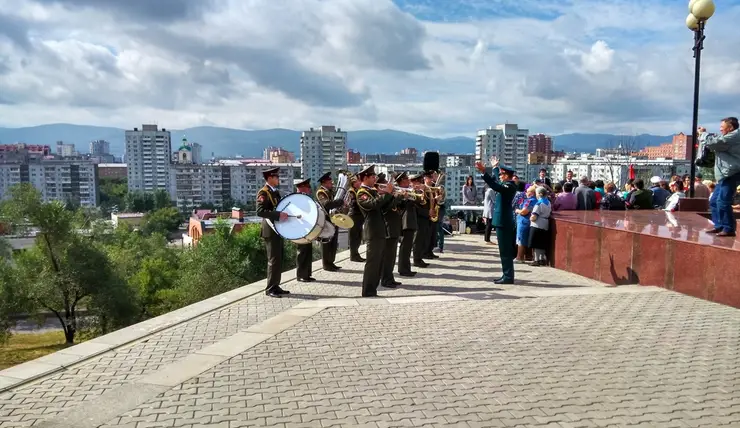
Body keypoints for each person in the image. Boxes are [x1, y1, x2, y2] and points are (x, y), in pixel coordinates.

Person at [475, 156, 518, 284]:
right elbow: (496, 182)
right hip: (502, 221)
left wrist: (484, 172)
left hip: (504, 222)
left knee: (505, 251)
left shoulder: (509, 186)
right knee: (503, 250)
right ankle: (506, 274)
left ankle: (508, 276)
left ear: (507, 176)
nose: (499, 175)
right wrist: (494, 168)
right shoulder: (505, 184)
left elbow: (494, 184)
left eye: (501, 174)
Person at [356, 165, 393, 297]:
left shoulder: (372, 191)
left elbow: (383, 207)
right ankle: (368, 290)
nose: (374, 179)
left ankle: (373, 289)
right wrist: (386, 193)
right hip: (373, 231)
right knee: (372, 263)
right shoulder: (361, 193)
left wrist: (394, 196)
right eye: (372, 177)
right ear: (365, 178)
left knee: (379, 262)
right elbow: (373, 205)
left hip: (380, 230)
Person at [699, 117, 740, 237]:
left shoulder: (734, 136)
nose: (720, 130)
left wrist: (703, 134)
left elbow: (713, 143)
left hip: (731, 173)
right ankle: (719, 226)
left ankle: (728, 228)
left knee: (723, 201)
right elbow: (714, 143)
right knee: (713, 201)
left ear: (731, 128)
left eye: (722, 128)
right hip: (724, 174)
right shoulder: (730, 136)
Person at [256, 167, 290, 298]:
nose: (278, 179)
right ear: (269, 178)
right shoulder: (263, 193)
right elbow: (260, 211)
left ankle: (276, 285)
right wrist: (278, 214)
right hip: (269, 230)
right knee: (273, 260)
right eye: (276, 177)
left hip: (277, 229)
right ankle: (270, 288)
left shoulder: (275, 192)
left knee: (278, 259)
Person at [379, 173, 406, 288]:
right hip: (388, 229)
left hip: (394, 228)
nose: (388, 185)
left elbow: (398, 207)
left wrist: (402, 198)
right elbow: (387, 208)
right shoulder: (382, 196)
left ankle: (390, 277)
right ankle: (385, 279)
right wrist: (397, 196)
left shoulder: (388, 196)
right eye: (385, 184)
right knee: (388, 257)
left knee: (392, 257)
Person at [316, 172, 344, 271]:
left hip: (333, 219)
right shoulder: (321, 192)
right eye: (329, 182)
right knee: (326, 244)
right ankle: (326, 264)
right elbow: (326, 204)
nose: (332, 183)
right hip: (326, 221)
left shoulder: (330, 191)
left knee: (333, 243)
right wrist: (338, 202)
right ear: (324, 182)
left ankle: (331, 262)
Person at [293, 178, 316, 283]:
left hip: (307, 228)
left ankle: (307, 274)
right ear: (301, 188)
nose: (309, 189)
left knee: (308, 251)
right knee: (302, 252)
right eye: (307, 187)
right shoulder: (295, 199)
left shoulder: (305, 198)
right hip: (299, 229)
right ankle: (301, 275)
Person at [397, 173, 419, 277]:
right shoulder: (398, 191)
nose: (408, 181)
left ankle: (406, 268)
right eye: (406, 179)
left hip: (411, 220)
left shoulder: (409, 190)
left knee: (408, 246)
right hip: (405, 221)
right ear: (401, 181)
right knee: (405, 246)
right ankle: (403, 269)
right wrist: (405, 197)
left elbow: (418, 200)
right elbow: (399, 206)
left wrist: (416, 192)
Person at [528, 186, 552, 266]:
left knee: (536, 243)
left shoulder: (538, 203)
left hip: (537, 224)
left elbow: (534, 217)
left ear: (540, 194)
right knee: (541, 243)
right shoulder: (548, 202)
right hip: (545, 224)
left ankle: (536, 260)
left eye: (536, 193)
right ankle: (542, 259)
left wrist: (530, 218)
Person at [413, 172, 432, 267]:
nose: (421, 184)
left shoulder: (420, 191)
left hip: (425, 218)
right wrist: (427, 213)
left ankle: (419, 258)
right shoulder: (414, 192)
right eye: (420, 182)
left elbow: (426, 202)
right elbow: (416, 207)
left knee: (423, 239)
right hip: (419, 218)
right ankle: (416, 259)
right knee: (418, 240)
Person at [346, 174, 365, 262]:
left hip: (359, 216)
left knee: (358, 236)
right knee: (354, 236)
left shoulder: (358, 190)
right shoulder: (351, 191)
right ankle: (353, 255)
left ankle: (356, 254)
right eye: (358, 181)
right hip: (354, 215)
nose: (360, 182)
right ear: (353, 183)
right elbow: (353, 203)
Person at [515, 185, 537, 263]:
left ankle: (519, 257)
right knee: (527, 239)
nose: (526, 193)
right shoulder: (536, 200)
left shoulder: (529, 201)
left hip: (523, 221)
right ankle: (528, 256)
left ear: (532, 193)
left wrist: (517, 210)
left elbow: (524, 212)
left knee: (521, 239)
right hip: (530, 222)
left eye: (527, 192)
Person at [424, 171, 440, 260]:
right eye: (429, 178)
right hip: (427, 213)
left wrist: (438, 199)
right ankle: (425, 252)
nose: (431, 180)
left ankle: (430, 251)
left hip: (433, 211)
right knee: (427, 235)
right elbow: (426, 201)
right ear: (425, 179)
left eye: (431, 178)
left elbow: (435, 200)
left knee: (433, 234)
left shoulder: (432, 188)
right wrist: (434, 199)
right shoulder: (424, 188)